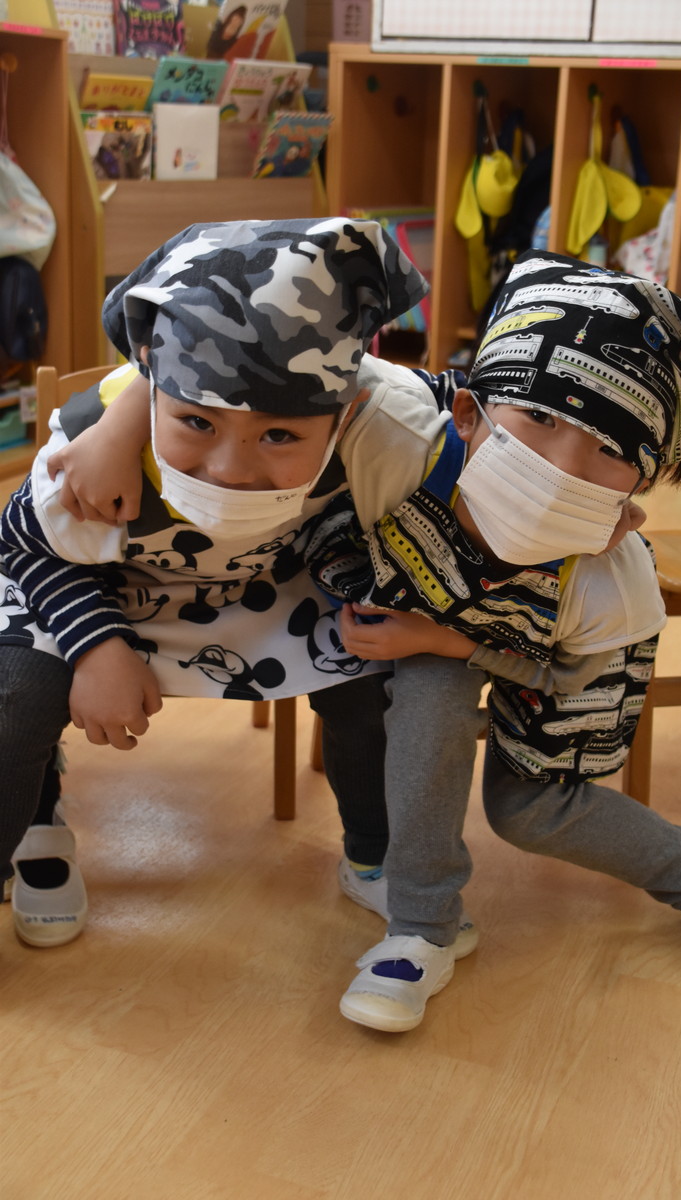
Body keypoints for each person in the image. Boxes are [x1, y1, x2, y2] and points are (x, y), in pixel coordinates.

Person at [302, 252, 681, 1031]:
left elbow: (564, 678)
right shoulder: (393, 440)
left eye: (610, 450)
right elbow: (260, 374)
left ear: (639, 485)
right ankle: (421, 928)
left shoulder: (611, 584)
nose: (561, 468)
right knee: (426, 694)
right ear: (467, 414)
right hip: (420, 613)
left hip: (552, 651)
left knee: (527, 809)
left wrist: (458, 645)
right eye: (541, 420)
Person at [0, 217, 449, 949]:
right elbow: (24, 545)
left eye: (279, 435)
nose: (229, 470)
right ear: (152, 388)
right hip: (88, 587)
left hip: (264, 591)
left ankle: (374, 849)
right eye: (196, 424)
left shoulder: (381, 420)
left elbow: (482, 414)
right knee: (17, 696)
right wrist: (95, 645)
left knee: (372, 679)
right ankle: (34, 820)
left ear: (346, 415)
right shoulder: (95, 443)